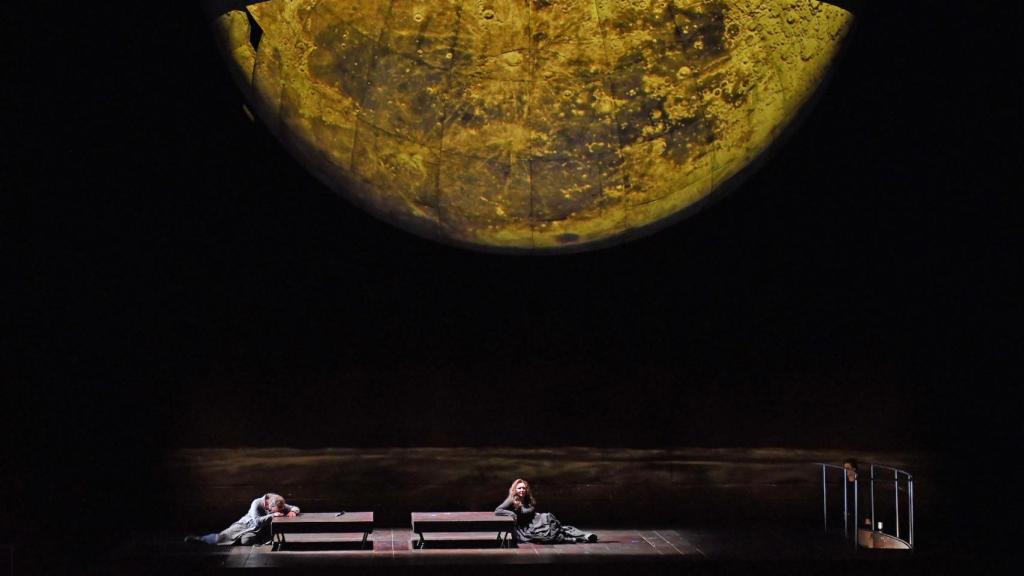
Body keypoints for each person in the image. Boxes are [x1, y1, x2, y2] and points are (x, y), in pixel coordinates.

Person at [494, 478, 597, 544]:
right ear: (515, 489)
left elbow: (531, 511)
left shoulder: (527, 499)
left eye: (523, 488)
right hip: (526, 528)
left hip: (535, 522)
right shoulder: (511, 500)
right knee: (549, 532)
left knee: (558, 527)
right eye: (519, 488)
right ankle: (577, 538)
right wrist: (511, 513)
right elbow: (498, 510)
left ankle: (585, 535)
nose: (522, 490)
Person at [185, 493, 300, 545]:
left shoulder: (277, 502)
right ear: (270, 505)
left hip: (257, 531)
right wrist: (272, 516)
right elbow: (257, 522)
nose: (279, 511)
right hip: (245, 525)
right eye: (276, 510)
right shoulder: (257, 503)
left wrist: (292, 511)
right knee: (222, 537)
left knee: (247, 540)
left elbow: (295, 507)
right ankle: (200, 539)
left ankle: (242, 539)